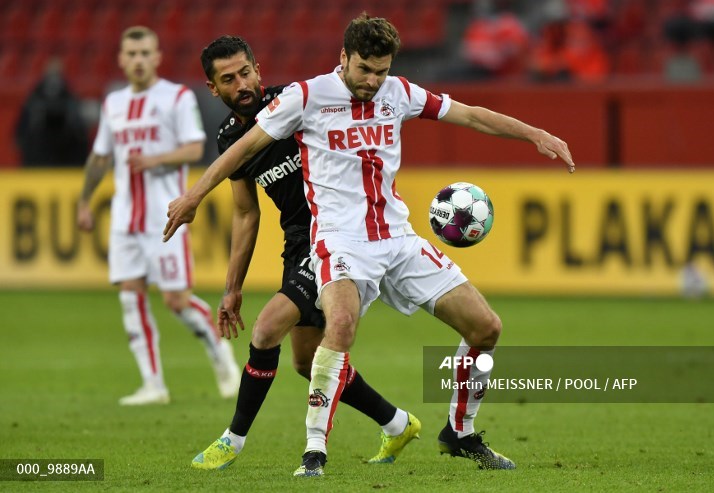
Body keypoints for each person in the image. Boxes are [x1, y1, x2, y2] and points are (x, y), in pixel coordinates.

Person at [165, 14, 575, 477]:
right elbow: (242, 150)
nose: (373, 81)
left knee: (486, 329)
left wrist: (536, 134)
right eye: (365, 70)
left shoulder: (398, 92)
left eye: (381, 71)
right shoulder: (306, 96)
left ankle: (459, 433)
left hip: (397, 239)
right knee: (337, 326)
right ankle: (314, 453)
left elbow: (471, 115)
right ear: (343, 58)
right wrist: (194, 196)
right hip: (339, 240)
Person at [190, 35, 420, 470]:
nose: (241, 84)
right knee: (306, 362)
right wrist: (231, 288)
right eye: (228, 78)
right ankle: (396, 423)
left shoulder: (298, 102)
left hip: (335, 233)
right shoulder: (229, 139)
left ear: (259, 68)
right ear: (212, 88)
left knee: (265, 330)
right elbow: (245, 215)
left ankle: (232, 440)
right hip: (298, 241)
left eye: (246, 72)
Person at [77, 26, 240, 406]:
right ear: (121, 59)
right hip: (123, 219)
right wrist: (85, 200)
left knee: (176, 301)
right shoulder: (113, 104)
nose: (137, 60)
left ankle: (222, 356)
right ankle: (153, 385)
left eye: (144, 53)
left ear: (156, 56)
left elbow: (194, 148)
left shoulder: (176, 97)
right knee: (131, 298)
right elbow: (102, 156)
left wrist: (154, 159)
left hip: (164, 218)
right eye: (130, 54)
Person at [15, 57, 89, 166]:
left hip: (65, 159)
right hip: (38, 159)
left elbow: (80, 132)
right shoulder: (34, 100)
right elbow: (22, 133)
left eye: (56, 73)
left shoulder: (70, 99)